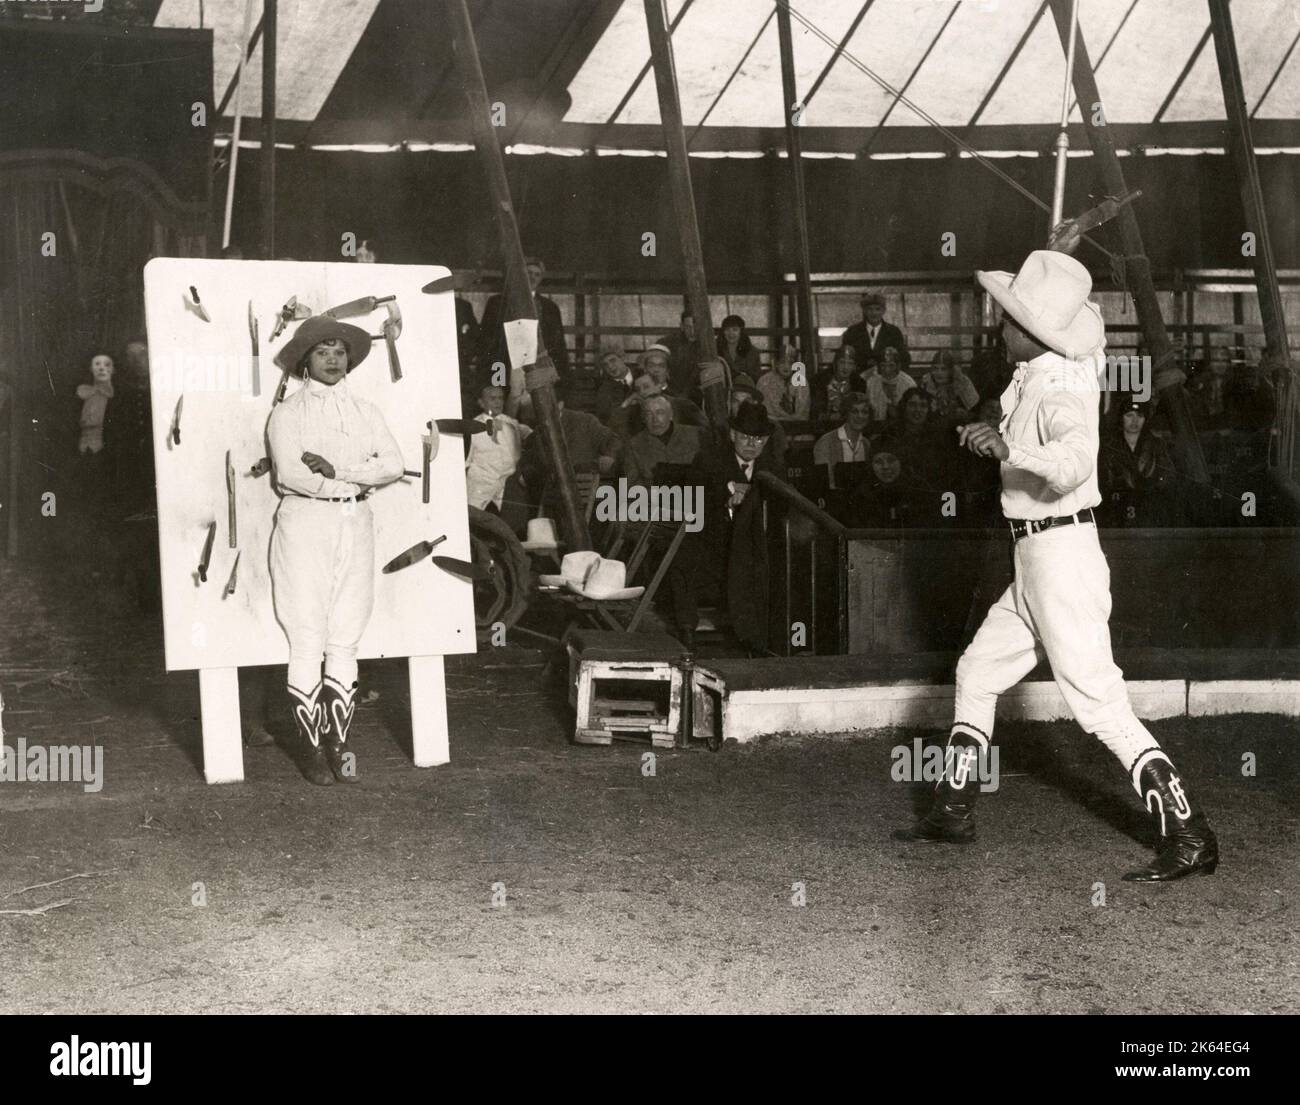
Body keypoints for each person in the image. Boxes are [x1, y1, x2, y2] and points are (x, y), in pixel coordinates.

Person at [897, 250, 1218, 883]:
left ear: (1033, 333)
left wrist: (1007, 445)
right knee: (979, 671)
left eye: (1009, 318)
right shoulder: (1048, 364)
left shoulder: (1059, 385)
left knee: (1097, 705)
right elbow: (1076, 326)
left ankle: (1191, 834)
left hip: (1061, 557)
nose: (999, 325)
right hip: (1036, 555)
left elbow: (1072, 462)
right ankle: (952, 809)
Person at [267, 317, 406, 786]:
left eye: (339, 351)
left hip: (355, 520)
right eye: (322, 350)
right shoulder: (287, 413)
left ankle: (339, 745)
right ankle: (309, 750)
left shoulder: (365, 411)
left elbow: (394, 464)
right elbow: (293, 475)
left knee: (345, 636)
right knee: (307, 635)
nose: (332, 359)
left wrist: (340, 468)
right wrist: (352, 473)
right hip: (305, 521)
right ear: (305, 359)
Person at [477, 256, 570, 390]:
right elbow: (487, 339)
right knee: (504, 399)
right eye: (529, 273)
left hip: (537, 365)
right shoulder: (497, 303)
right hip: (504, 363)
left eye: (537, 274)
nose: (532, 277)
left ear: (541, 278)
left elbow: (558, 345)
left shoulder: (550, 307)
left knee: (534, 403)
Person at [1099, 399, 1176, 527]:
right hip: (1116, 511)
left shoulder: (1156, 444)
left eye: (1140, 416)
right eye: (1129, 415)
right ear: (1121, 418)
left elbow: (1169, 475)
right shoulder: (1108, 446)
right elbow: (1103, 480)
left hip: (1150, 510)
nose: (1134, 421)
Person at [465, 383, 531, 512]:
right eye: (492, 398)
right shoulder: (472, 427)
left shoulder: (512, 424)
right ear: (481, 403)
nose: (498, 402)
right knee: (474, 522)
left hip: (508, 487)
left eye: (500, 398)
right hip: (481, 486)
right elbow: (465, 462)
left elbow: (533, 436)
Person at [812, 393, 871, 489]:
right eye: (854, 411)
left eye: (864, 412)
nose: (860, 416)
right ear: (846, 414)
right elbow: (823, 483)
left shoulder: (867, 444)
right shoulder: (826, 442)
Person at [840, 292, 906, 367]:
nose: (874, 313)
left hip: (885, 376)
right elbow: (845, 356)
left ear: (883, 311)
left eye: (878, 309)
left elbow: (904, 358)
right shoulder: (852, 331)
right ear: (864, 311)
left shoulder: (893, 332)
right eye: (870, 309)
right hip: (859, 375)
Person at [921, 350, 979, 424]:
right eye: (935, 368)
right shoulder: (926, 383)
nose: (939, 373)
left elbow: (975, 411)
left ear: (951, 370)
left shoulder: (963, 383)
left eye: (943, 369)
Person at [813, 345, 864, 426]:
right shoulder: (820, 380)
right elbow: (815, 411)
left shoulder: (859, 383)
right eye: (842, 362)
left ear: (854, 366)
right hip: (824, 428)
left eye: (850, 363)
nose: (845, 367)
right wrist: (828, 417)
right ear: (835, 363)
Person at [758, 345, 811, 423]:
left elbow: (803, 413)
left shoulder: (802, 382)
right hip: (772, 426)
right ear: (776, 363)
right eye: (782, 362)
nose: (786, 366)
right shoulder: (764, 381)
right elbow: (763, 412)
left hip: (797, 426)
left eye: (790, 363)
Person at [865, 346, 917, 424]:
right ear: (879, 366)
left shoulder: (909, 384)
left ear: (898, 366)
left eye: (891, 365)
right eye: (883, 365)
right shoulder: (871, 383)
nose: (887, 370)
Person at [657, 310, 698, 398]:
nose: (693, 331)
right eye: (688, 327)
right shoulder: (669, 342)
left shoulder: (706, 346)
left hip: (695, 395)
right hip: (671, 394)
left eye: (696, 327)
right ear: (681, 326)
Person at [716, 314, 761, 385]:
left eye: (735, 330)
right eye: (727, 330)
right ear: (723, 332)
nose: (731, 334)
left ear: (741, 332)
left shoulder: (752, 351)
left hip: (744, 389)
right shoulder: (716, 349)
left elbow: (756, 376)